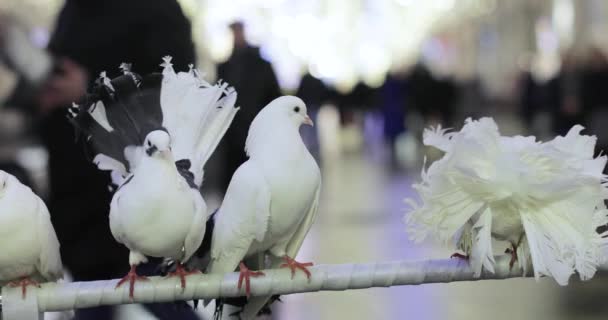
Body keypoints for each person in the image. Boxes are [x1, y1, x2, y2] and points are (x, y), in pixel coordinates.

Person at [32, 0, 199, 319]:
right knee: (91, 297)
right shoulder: (73, 11)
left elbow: (173, 81)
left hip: (139, 194)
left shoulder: (157, 9)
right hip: (78, 201)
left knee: (164, 296)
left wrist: (91, 85)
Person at [215, 21, 281, 191]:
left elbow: (273, 95)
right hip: (232, 131)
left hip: (256, 129)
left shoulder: (261, 66)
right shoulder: (225, 67)